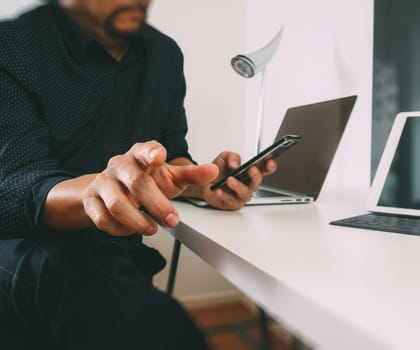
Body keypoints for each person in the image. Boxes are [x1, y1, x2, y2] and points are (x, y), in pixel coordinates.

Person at [0, 0, 276, 349]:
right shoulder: (12, 44)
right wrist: (97, 189)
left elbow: (171, 154)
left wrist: (202, 182)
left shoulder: (165, 55)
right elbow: (15, 185)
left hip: (118, 258)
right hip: (25, 248)